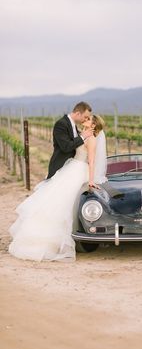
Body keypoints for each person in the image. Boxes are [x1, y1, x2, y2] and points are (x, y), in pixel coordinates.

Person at [8, 115, 107, 262]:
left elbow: (91, 161)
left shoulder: (91, 139)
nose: (85, 120)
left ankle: (68, 239)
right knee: (56, 200)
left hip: (80, 171)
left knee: (67, 204)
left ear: (93, 126)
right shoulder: (82, 135)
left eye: (88, 119)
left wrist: (91, 180)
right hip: (71, 169)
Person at [47, 101, 94, 179]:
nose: (86, 120)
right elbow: (66, 147)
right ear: (78, 113)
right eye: (85, 117)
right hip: (60, 168)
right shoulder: (61, 124)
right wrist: (82, 137)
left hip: (71, 169)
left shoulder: (73, 125)